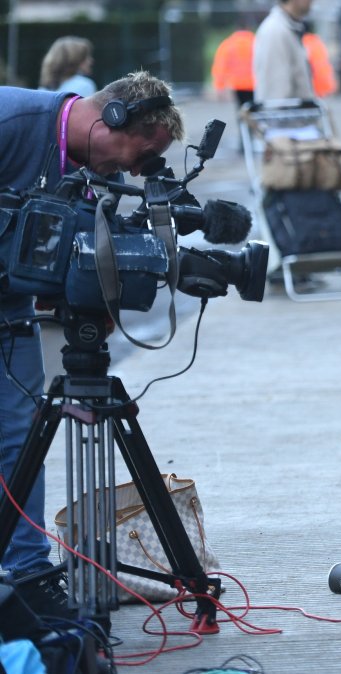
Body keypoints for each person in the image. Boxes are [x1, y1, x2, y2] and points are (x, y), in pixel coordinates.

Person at [0, 72, 184, 619]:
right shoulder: (13, 120)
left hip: (9, 309)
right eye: (140, 152)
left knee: (17, 433)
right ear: (113, 119)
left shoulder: (86, 170)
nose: (134, 169)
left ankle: (29, 575)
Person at [253, 0, 315, 102]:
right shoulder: (275, 31)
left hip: (296, 115)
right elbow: (274, 98)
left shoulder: (289, 28)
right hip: (286, 115)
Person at [211, 26, 256, 110]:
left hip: (238, 84)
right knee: (254, 109)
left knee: (241, 108)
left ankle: (242, 121)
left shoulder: (228, 44)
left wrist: (219, 86)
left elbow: (220, 66)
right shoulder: (255, 42)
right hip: (254, 83)